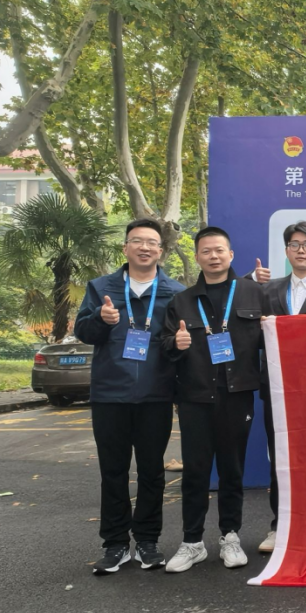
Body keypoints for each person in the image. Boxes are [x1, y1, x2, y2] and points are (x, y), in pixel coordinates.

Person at [74, 218, 185, 575]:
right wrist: (100, 319)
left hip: (156, 395)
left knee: (152, 472)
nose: (144, 247)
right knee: (113, 471)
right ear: (125, 248)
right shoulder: (101, 287)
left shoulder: (175, 292)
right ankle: (115, 544)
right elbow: (83, 332)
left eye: (151, 242)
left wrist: (179, 344)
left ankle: (148, 541)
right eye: (137, 241)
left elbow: (174, 346)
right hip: (110, 395)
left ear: (161, 251)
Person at [160, 227, 265, 573]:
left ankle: (230, 537)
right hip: (195, 397)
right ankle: (192, 542)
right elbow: (164, 345)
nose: (214, 256)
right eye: (206, 251)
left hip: (237, 395)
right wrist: (175, 344)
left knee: (232, 469)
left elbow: (275, 338)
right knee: (196, 471)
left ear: (230, 255)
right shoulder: (182, 301)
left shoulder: (254, 293)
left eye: (219, 250)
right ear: (197, 257)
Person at [247, 221, 306, 554]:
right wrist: (249, 280)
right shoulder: (268, 290)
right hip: (278, 390)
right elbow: (236, 309)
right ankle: (280, 525)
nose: (301, 250)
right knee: (281, 458)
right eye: (294, 244)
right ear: (286, 251)